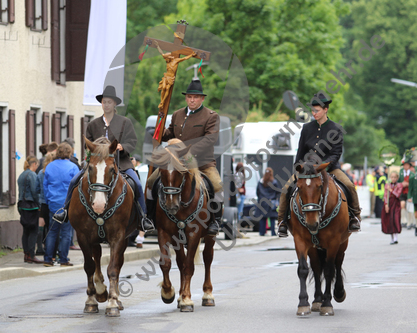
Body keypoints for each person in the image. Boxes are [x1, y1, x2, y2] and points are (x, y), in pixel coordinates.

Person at [52, 86, 153, 232]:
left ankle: (143, 218)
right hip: (97, 164)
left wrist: (122, 146)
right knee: (74, 181)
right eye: (104, 102)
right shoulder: (93, 124)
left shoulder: (125, 122)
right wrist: (92, 152)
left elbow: (132, 141)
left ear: (114, 104)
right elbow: (88, 145)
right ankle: (64, 211)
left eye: (109, 102)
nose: (106, 105)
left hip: (121, 163)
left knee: (136, 183)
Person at [278, 92, 362, 237]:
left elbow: (336, 154)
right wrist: (299, 167)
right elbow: (301, 152)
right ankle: (282, 222)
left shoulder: (336, 129)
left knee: (349, 185)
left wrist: (323, 166)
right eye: (312, 110)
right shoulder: (306, 128)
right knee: (286, 188)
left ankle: (354, 217)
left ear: (325, 109)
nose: (314, 113)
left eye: (316, 110)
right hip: (306, 169)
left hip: (330, 168)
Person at [147, 79, 222, 235]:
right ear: (186, 98)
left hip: (202, 163)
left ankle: (215, 220)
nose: (192, 100)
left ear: (202, 99)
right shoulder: (177, 114)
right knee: (151, 182)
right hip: (174, 163)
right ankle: (150, 217)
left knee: (216, 185)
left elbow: (210, 139)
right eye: (189, 97)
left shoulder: (211, 116)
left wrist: (186, 152)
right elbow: (170, 134)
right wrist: (159, 126)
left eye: (195, 97)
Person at [43, 143, 80, 266]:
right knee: (66, 233)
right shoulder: (73, 167)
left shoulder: (49, 166)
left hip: (53, 203)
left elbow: (45, 186)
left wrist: (49, 200)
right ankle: (63, 259)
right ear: (69, 153)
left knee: (52, 232)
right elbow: (77, 187)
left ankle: (48, 259)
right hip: (68, 204)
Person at [17, 156, 43, 264]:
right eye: (37, 165)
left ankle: (26, 254)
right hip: (31, 206)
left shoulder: (21, 175)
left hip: (22, 205)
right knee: (34, 230)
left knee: (26, 231)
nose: (37, 167)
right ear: (34, 164)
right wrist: (39, 204)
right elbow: (34, 191)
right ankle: (32, 255)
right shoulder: (32, 175)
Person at [254, 168, 280, 236]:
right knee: (272, 218)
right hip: (271, 202)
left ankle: (262, 232)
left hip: (262, 202)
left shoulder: (261, 182)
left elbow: (258, 192)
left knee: (263, 218)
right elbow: (278, 191)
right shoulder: (274, 182)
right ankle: (273, 232)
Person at [381, 171, 402, 244]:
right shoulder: (387, 185)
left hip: (396, 204)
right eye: (392, 177)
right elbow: (385, 195)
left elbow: (397, 195)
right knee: (389, 220)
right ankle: (392, 238)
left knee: (395, 219)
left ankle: (396, 236)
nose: (393, 179)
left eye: (395, 177)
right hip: (389, 204)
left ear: (397, 178)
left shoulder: (399, 185)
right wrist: (386, 204)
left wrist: (391, 190)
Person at [398, 155, 414, 227]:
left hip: (409, 193)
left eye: (407, 165)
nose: (406, 166)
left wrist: (408, 184)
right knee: (402, 205)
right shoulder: (401, 173)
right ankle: (403, 220)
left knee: (409, 207)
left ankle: (410, 222)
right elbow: (397, 182)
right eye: (405, 165)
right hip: (402, 192)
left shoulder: (412, 174)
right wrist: (402, 184)